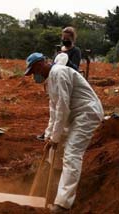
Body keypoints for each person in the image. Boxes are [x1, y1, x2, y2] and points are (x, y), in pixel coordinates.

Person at [25, 52, 104, 213]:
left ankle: (63, 203)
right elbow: (54, 110)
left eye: (33, 72)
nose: (34, 76)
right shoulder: (50, 81)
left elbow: (63, 107)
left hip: (86, 113)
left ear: (39, 65)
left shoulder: (59, 73)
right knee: (57, 150)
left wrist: (55, 137)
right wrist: (49, 135)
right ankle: (55, 185)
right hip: (73, 115)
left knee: (72, 153)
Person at [37, 26, 82, 141]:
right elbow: (53, 66)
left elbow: (75, 68)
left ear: (72, 39)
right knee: (53, 109)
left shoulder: (75, 51)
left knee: (61, 109)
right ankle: (50, 132)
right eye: (63, 38)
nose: (64, 40)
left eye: (67, 38)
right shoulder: (59, 51)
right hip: (56, 81)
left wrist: (65, 59)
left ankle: (59, 134)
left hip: (67, 82)